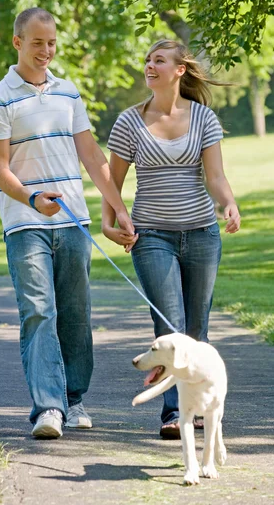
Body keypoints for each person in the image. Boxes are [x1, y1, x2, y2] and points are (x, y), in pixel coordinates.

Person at [0, 7, 135, 439]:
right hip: (25, 223)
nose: (46, 51)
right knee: (38, 312)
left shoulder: (69, 94)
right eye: (37, 42)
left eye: (51, 43)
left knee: (75, 314)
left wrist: (118, 207)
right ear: (17, 43)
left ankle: (74, 400)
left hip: (73, 224)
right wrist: (31, 197)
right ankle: (48, 408)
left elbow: (92, 157)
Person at [102, 39, 240, 440]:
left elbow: (215, 176)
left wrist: (228, 204)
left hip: (201, 233)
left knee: (197, 329)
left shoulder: (203, 118)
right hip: (152, 237)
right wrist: (109, 223)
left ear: (179, 70)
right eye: (147, 60)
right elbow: (113, 182)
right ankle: (175, 411)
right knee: (170, 328)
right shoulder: (129, 122)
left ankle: (201, 408)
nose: (149, 65)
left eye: (158, 60)